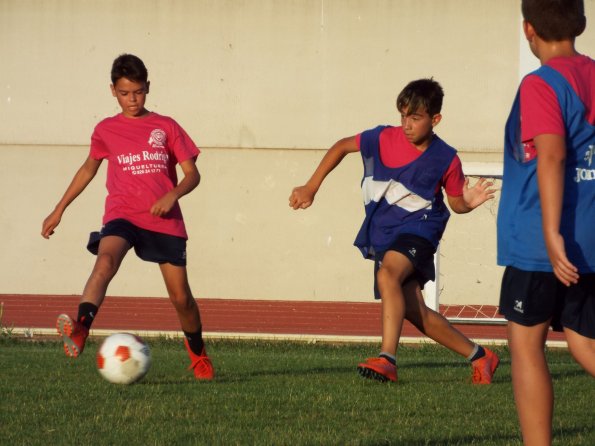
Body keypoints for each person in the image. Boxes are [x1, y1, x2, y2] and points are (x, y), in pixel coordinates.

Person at [289, 78, 499, 384]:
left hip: (421, 228)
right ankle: (481, 357)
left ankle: (387, 359)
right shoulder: (381, 137)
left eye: (415, 118)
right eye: (403, 116)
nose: (407, 125)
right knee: (415, 311)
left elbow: (456, 203)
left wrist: (468, 202)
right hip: (385, 231)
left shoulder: (446, 158)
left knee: (387, 274)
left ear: (435, 119)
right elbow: (341, 146)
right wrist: (312, 186)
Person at [41, 54, 214, 380]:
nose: (132, 99)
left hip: (164, 219)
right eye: (124, 93)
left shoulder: (167, 126)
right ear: (113, 91)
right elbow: (88, 169)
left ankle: (199, 355)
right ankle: (81, 327)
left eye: (138, 92)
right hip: (122, 215)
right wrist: (59, 208)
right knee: (105, 261)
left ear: (147, 87)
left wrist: (172, 194)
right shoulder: (106, 130)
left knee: (181, 299)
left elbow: (193, 175)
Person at [497, 0, 594, 443]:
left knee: (526, 346)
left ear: (528, 29)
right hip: (590, 239)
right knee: (583, 342)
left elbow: (551, 154)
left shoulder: (542, 83)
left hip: (542, 244)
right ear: (581, 23)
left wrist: (551, 234)